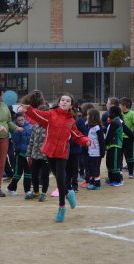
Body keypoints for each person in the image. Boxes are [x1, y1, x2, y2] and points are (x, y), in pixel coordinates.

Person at [21, 93, 91, 222]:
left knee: (60, 180)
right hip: (48, 151)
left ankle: (61, 208)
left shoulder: (71, 120)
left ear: (71, 105)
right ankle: (68, 193)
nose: (64, 102)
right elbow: (38, 114)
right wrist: (29, 109)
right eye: (62, 100)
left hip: (62, 153)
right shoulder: (50, 114)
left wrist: (85, 140)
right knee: (60, 180)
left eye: (67, 100)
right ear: (59, 102)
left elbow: (76, 135)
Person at [105, 105, 134, 187]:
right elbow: (128, 131)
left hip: (116, 145)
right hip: (111, 145)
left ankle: (118, 180)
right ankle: (112, 178)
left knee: (115, 164)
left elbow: (110, 135)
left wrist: (103, 145)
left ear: (113, 113)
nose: (108, 114)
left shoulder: (115, 122)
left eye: (109, 112)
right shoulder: (116, 120)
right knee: (109, 163)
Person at [26, 104, 50, 202]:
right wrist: (28, 154)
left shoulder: (50, 126)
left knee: (45, 176)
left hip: (46, 156)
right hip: (35, 155)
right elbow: (31, 141)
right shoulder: (35, 126)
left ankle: (44, 193)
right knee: (34, 174)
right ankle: (36, 192)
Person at [6, 112, 33, 198]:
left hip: (29, 155)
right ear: (16, 121)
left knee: (28, 173)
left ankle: (27, 191)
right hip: (20, 154)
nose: (21, 122)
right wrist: (17, 131)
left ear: (25, 119)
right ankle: (11, 188)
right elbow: (15, 141)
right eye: (19, 120)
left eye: (22, 119)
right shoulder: (15, 129)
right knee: (18, 173)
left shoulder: (30, 127)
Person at [85, 108, 105, 190]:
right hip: (91, 151)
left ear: (92, 116)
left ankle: (97, 184)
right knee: (91, 167)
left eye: (88, 115)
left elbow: (101, 141)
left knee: (95, 168)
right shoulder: (89, 126)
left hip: (96, 152)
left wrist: (102, 152)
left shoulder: (97, 128)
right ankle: (93, 181)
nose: (87, 116)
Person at [120, 97, 134, 178]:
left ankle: (131, 173)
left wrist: (132, 135)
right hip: (121, 138)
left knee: (129, 156)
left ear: (125, 105)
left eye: (121, 105)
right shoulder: (120, 114)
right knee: (120, 155)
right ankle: (119, 172)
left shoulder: (132, 113)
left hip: (129, 138)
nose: (120, 106)